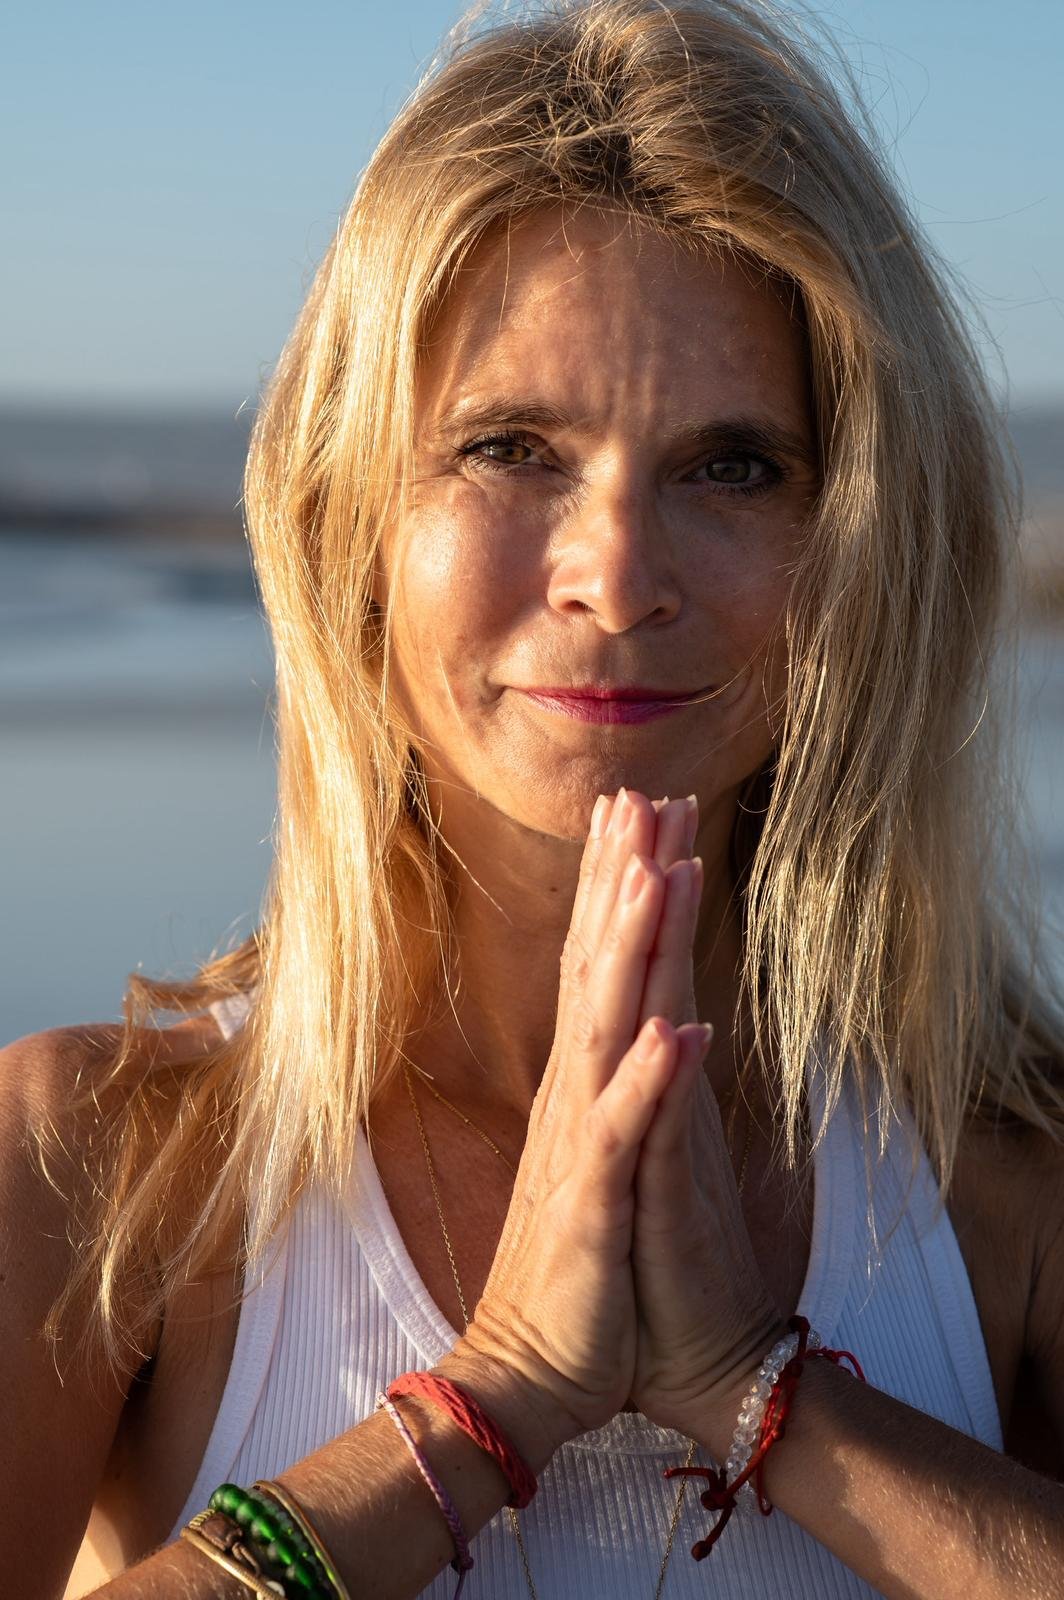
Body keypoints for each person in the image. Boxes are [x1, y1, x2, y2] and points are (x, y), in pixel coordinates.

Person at [9, 1, 1064, 1596]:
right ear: (345, 519)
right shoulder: (97, 1173)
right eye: (511, 448)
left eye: (734, 467)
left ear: (863, 548)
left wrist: (755, 1389)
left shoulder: (1010, 1185)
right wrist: (487, 1400)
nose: (619, 578)